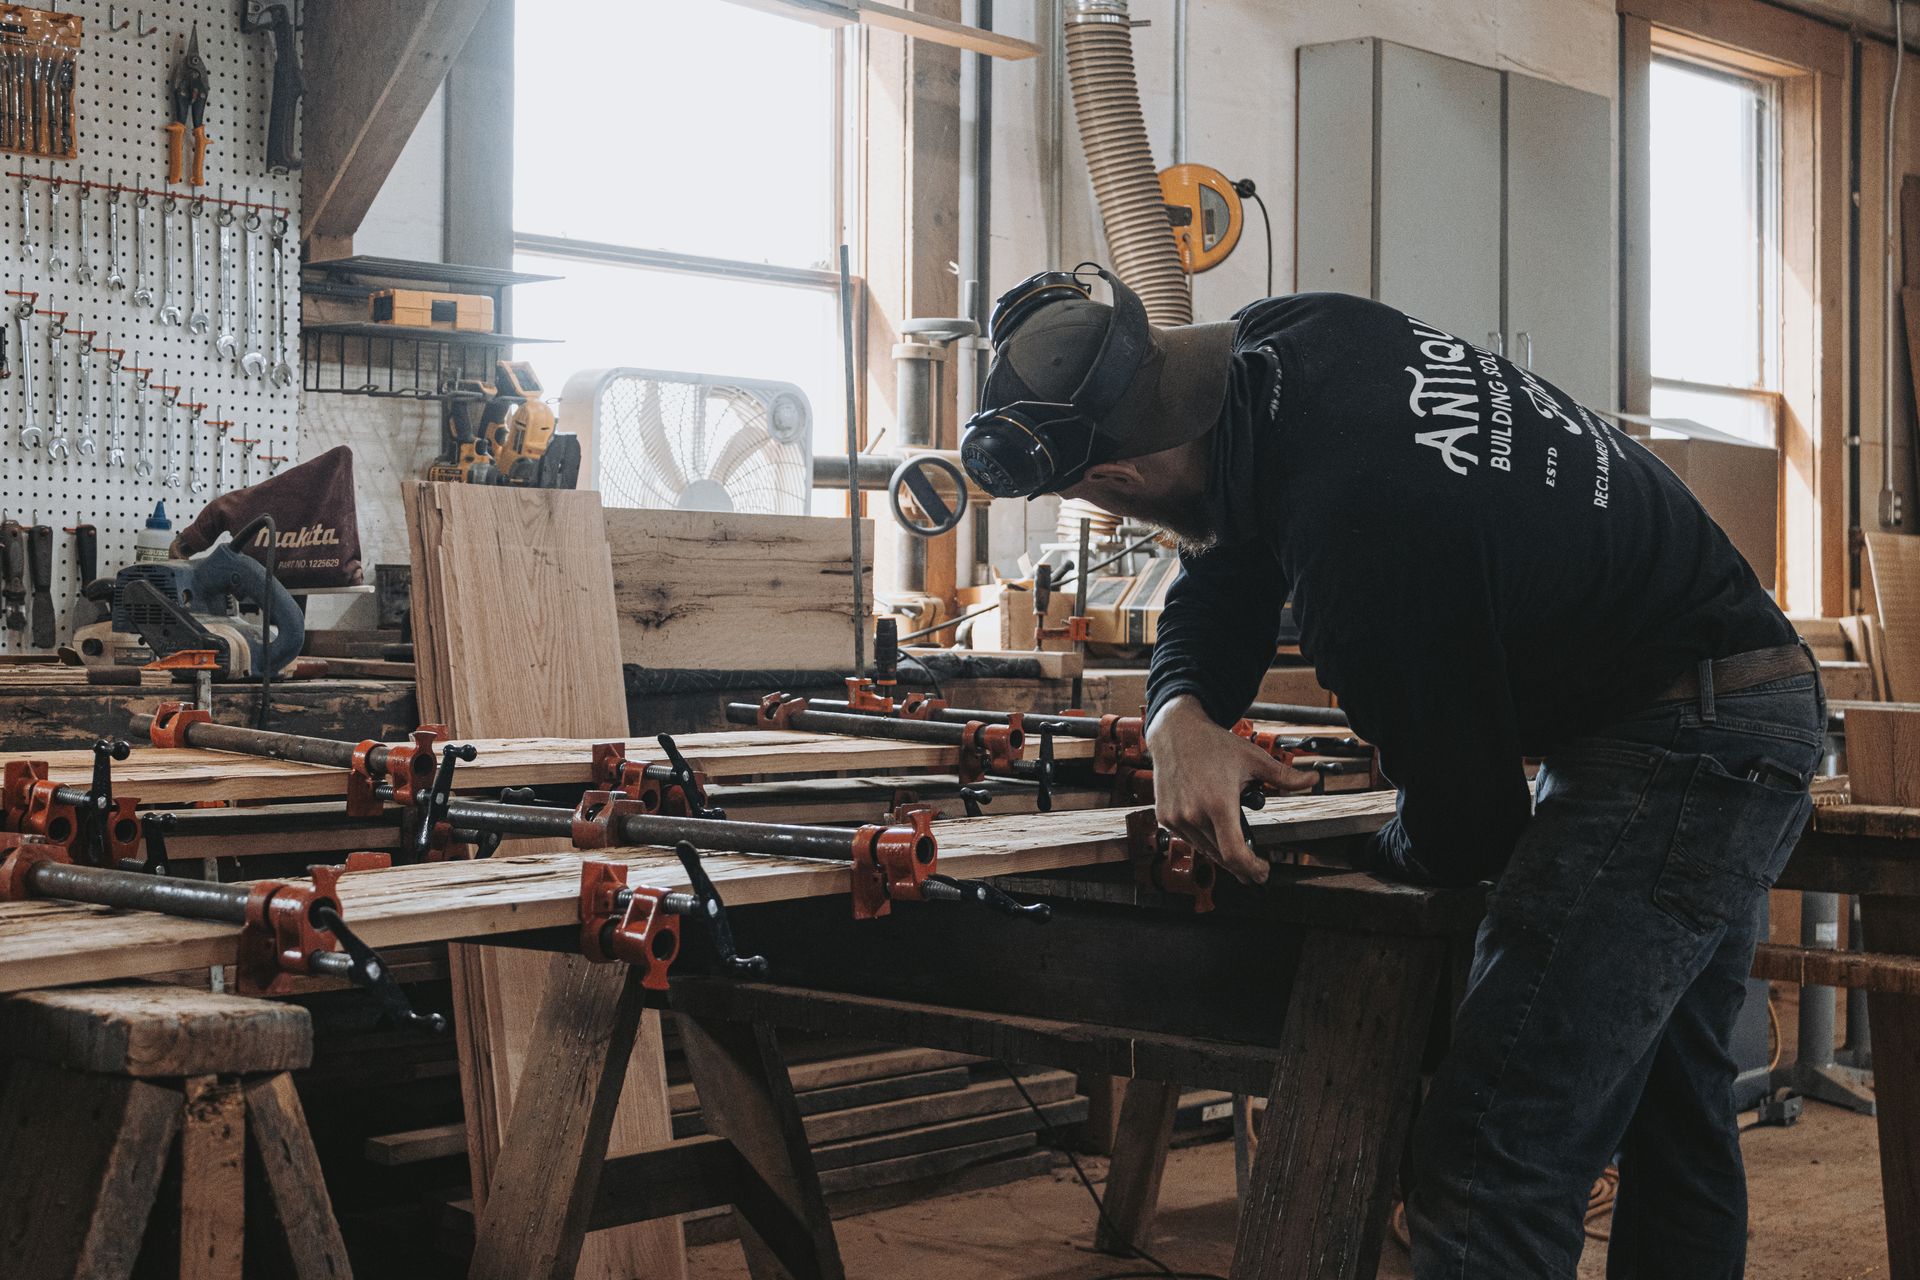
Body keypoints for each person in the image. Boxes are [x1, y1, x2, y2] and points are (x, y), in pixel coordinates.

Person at [958, 264, 1823, 1280]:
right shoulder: (1287, 338)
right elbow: (1229, 553)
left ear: (1110, 479)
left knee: (1490, 1152)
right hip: (1742, 693)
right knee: (1674, 1112)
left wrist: (1356, 848)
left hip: (1682, 744)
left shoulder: (1361, 543)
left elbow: (1471, 827)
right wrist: (1179, 709)